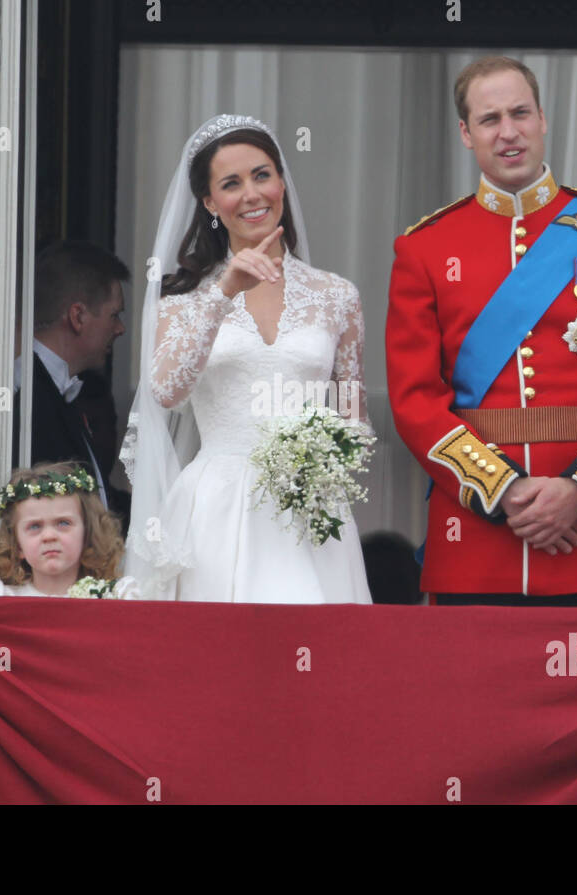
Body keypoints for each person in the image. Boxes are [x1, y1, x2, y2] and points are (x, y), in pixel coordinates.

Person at [386, 56, 577, 606]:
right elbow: (414, 398)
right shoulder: (425, 247)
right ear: (466, 134)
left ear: (543, 118)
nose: (509, 131)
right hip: (474, 537)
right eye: (490, 119)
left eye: (520, 113)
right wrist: (505, 491)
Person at [120, 114, 372, 603]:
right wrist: (223, 292)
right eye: (231, 184)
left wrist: (320, 460)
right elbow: (167, 393)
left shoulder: (337, 295)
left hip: (310, 506)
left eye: (262, 175)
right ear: (211, 203)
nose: (253, 194)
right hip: (216, 505)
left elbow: (353, 415)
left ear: (281, 182)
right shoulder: (182, 302)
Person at [14, 240, 130, 520]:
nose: (120, 329)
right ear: (77, 316)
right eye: (114, 315)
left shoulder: (58, 389)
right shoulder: (29, 396)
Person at [0, 461, 137, 598]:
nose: (49, 536)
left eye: (63, 523)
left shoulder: (114, 597)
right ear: (17, 544)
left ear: (87, 534)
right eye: (34, 526)